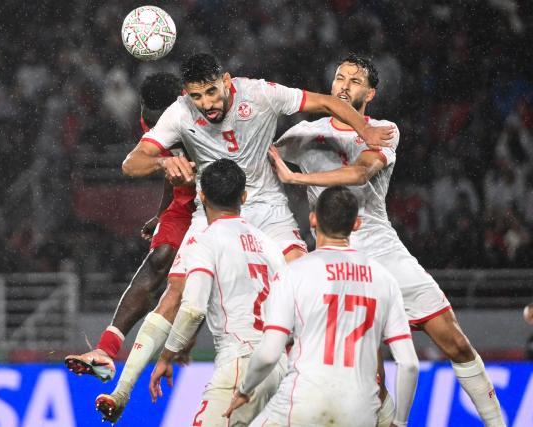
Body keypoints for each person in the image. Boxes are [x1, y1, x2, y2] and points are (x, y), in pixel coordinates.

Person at [94, 52, 395, 423]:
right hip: (214, 207)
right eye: (197, 97)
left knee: (309, 282)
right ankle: (122, 392)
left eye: (211, 92)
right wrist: (161, 162)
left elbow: (328, 102)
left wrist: (365, 133)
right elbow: (131, 163)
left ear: (227, 80)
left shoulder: (261, 94)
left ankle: (361, 380)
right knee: (176, 292)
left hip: (266, 206)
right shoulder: (180, 111)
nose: (207, 104)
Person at [269, 53, 505, 427]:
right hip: (336, 256)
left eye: (355, 81)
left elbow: (360, 173)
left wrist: (297, 180)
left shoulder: (383, 129)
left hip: (382, 248)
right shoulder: (301, 135)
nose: (344, 86)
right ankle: (390, 421)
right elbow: (254, 161)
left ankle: (497, 422)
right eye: (339, 78)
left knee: (454, 340)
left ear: (371, 92)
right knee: (367, 365)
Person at [224, 185, 419, 427]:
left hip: (303, 402)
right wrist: (400, 422)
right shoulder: (385, 280)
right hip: (360, 412)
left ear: (313, 218)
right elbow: (409, 364)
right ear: (356, 224)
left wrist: (245, 389)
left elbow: (269, 353)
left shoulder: (294, 273)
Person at [64, 72, 196, 381]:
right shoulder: (152, 119)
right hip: (186, 198)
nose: (151, 122)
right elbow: (161, 165)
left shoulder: (203, 114)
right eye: (148, 116)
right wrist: (162, 212)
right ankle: (105, 350)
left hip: (223, 198)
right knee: (158, 260)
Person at [145, 159, 287, 426]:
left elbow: (192, 309)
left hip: (241, 362)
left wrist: (167, 355)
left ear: (201, 196)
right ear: (243, 197)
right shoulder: (270, 245)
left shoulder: (205, 240)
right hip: (278, 366)